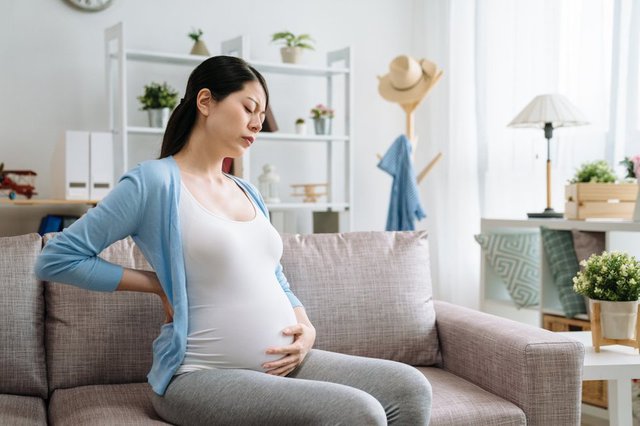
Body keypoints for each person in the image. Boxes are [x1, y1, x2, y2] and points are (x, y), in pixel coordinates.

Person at [35, 55, 432, 425]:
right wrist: (156, 284)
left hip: (286, 361)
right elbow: (57, 258)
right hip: (200, 375)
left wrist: (304, 325)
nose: (258, 122)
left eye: (262, 113)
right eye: (249, 108)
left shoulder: (246, 190)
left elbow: (273, 274)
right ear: (206, 101)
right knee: (358, 413)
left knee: (409, 388)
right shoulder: (153, 182)